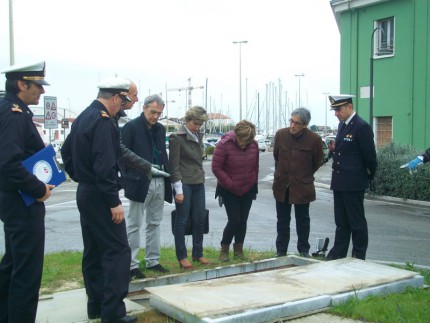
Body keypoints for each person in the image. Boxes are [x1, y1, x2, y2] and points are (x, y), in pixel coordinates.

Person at [61, 77, 137, 323]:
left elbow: (65, 152)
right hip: (101, 194)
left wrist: (80, 176)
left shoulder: (84, 116)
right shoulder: (103, 121)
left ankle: (95, 305)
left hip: (86, 190)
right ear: (115, 97)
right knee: (117, 251)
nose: (123, 107)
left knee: (94, 250)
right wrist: (113, 201)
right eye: (123, 101)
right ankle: (113, 312)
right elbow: (105, 165)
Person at [0, 61, 54, 323]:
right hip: (21, 201)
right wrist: (39, 188)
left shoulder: (13, 110)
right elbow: (8, 162)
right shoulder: (13, 113)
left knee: (12, 265)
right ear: (22, 84)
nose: (41, 91)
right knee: (26, 273)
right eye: (38, 85)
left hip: (14, 201)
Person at [121, 94, 172, 280]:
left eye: (159, 113)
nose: (155, 117)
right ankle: (131, 264)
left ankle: (153, 260)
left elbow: (162, 154)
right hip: (139, 180)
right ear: (144, 108)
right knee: (134, 223)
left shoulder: (159, 129)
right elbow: (123, 155)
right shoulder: (131, 127)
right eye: (152, 112)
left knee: (155, 222)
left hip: (159, 179)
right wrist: (128, 178)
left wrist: (170, 178)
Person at [325, 95, 377, 261]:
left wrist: (369, 176)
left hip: (353, 182)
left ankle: (358, 255)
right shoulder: (342, 125)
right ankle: (338, 253)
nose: (336, 113)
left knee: (356, 222)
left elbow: (370, 157)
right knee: (341, 221)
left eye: (338, 109)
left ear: (349, 107)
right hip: (340, 181)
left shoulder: (361, 127)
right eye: (334, 110)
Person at [272, 108, 323, 258]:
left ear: (305, 125)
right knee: (282, 221)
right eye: (291, 121)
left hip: (302, 186)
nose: (292, 125)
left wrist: (303, 176)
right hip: (282, 186)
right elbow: (277, 156)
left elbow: (317, 162)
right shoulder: (281, 135)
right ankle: (281, 250)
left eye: (296, 123)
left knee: (302, 221)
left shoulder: (314, 140)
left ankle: (303, 250)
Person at [212, 120, 259, 261]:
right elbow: (216, 168)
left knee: (243, 221)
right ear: (236, 134)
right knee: (234, 220)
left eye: (246, 141)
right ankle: (224, 249)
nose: (243, 143)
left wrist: (252, 182)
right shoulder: (223, 145)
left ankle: (239, 250)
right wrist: (229, 183)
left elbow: (255, 166)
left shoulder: (254, 145)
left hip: (248, 189)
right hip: (229, 189)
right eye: (241, 140)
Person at [169, 106, 208, 269]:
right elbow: (174, 166)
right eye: (196, 123)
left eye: (200, 124)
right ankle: (182, 256)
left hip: (198, 182)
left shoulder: (198, 135)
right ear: (187, 120)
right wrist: (178, 190)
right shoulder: (176, 138)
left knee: (200, 218)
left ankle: (198, 253)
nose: (198, 127)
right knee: (182, 220)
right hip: (184, 184)